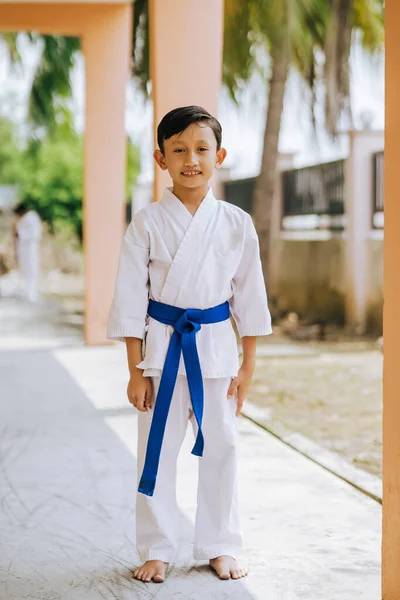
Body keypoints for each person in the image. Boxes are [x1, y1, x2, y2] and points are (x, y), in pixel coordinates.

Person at [107, 106, 272, 583]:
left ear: (219, 156)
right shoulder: (146, 223)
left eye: (201, 149)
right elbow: (129, 300)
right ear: (161, 159)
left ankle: (220, 544)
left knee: (223, 447)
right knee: (155, 451)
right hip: (161, 353)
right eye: (178, 150)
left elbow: (251, 297)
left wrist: (248, 366)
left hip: (218, 352)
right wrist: (136, 371)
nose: (190, 159)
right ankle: (157, 547)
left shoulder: (237, 223)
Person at [13, 203, 42, 302]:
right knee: (25, 271)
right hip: (23, 248)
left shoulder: (32, 218)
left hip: (30, 248)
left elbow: (35, 233)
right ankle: (27, 292)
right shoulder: (25, 219)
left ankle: (32, 294)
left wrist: (19, 234)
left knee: (32, 270)